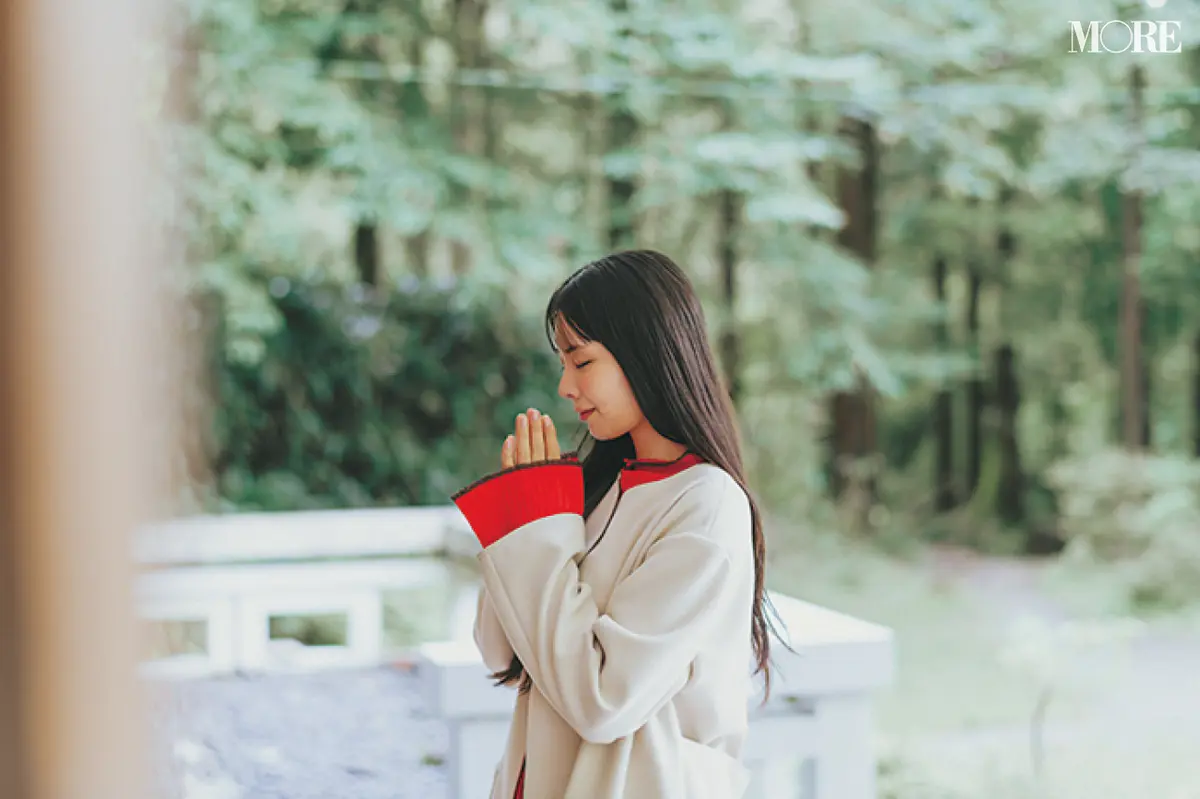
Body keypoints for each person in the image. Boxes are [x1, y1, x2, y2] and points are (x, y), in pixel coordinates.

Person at [451, 250, 779, 799]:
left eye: (582, 362)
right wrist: (525, 519)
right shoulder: (596, 489)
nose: (565, 387)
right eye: (563, 364)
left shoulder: (706, 504)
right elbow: (499, 649)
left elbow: (605, 701)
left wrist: (538, 535)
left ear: (646, 352)